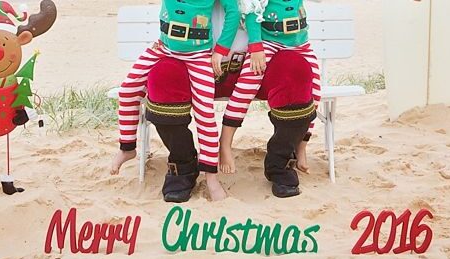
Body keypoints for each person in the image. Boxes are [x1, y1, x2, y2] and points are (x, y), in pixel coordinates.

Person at [144, 21, 316, 200]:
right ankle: (182, 164)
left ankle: (280, 162)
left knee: (296, 70)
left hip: (257, 69)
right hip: (194, 69)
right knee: (162, 76)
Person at [110, 0, 243, 201]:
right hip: (163, 49)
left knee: (205, 113)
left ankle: (211, 177)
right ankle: (127, 148)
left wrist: (221, 49)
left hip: (198, 56)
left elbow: (233, 12)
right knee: (128, 89)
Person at [219, 0, 321, 176]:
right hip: (267, 43)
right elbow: (251, 9)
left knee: (314, 94)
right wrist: (256, 45)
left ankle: (301, 145)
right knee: (246, 85)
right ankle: (225, 143)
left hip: (299, 43)